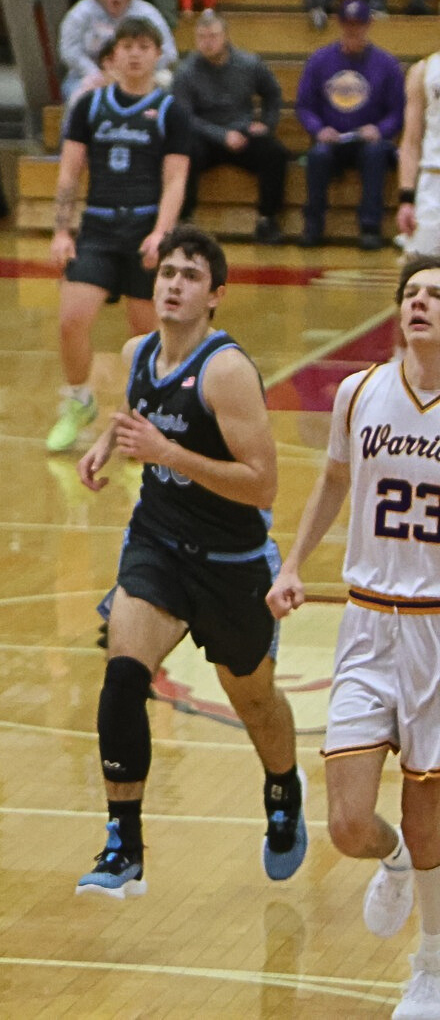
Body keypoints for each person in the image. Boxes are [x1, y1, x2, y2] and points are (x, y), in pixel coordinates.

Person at [72, 226, 300, 898]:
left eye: (190, 275)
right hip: (159, 545)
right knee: (121, 680)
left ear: (215, 295)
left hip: (232, 562)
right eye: (167, 270)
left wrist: (168, 455)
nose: (172, 282)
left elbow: (262, 483)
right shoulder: (138, 349)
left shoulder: (227, 371)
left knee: (253, 700)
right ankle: (125, 846)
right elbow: (139, 411)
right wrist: (108, 443)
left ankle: (282, 787)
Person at [272, 252, 440, 1020]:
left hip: (438, 628)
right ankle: (395, 860)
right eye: (411, 293)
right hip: (368, 622)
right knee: (345, 823)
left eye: (436, 295)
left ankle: (430, 967)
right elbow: (334, 480)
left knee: (428, 810)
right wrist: (293, 562)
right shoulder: (358, 392)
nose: (421, 304)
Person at [47, 17, 191, 454]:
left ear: (156, 54)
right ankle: (78, 402)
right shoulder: (89, 107)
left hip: (145, 228)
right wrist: (61, 230)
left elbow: (175, 178)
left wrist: (161, 233)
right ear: (113, 55)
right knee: (72, 321)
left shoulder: (171, 110)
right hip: (98, 227)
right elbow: (70, 171)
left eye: (143, 46)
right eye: (126, 45)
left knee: (143, 337)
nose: (134, 53)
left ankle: (140, 418)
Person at [296, 0, 405, 250]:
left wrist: (380, 130)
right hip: (332, 140)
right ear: (339, 24)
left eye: (359, 25)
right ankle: (313, 225)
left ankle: (370, 227)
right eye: (348, 24)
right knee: (317, 155)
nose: (353, 30)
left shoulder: (387, 65)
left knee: (375, 153)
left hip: (369, 141)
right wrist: (319, 129)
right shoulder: (320, 61)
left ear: (369, 25)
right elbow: (304, 106)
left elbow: (397, 112)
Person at [172, 10, 290, 243]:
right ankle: (184, 220)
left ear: (225, 37)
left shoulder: (249, 63)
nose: (207, 42)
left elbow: (273, 94)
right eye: (202, 37)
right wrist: (222, 135)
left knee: (275, 153)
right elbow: (184, 117)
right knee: (183, 151)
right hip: (204, 136)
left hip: (243, 134)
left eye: (213, 36)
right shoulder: (185, 72)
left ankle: (267, 219)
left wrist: (266, 124)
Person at [57, 0, 177, 107]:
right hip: (88, 74)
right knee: (77, 97)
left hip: (142, 74)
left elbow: (168, 51)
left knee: (170, 86)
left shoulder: (146, 13)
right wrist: (96, 74)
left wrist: (140, 72)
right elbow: (69, 49)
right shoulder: (82, 13)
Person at [399, 52, 440, 252]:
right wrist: (406, 199)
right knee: (420, 268)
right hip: (433, 182)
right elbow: (411, 140)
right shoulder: (423, 70)